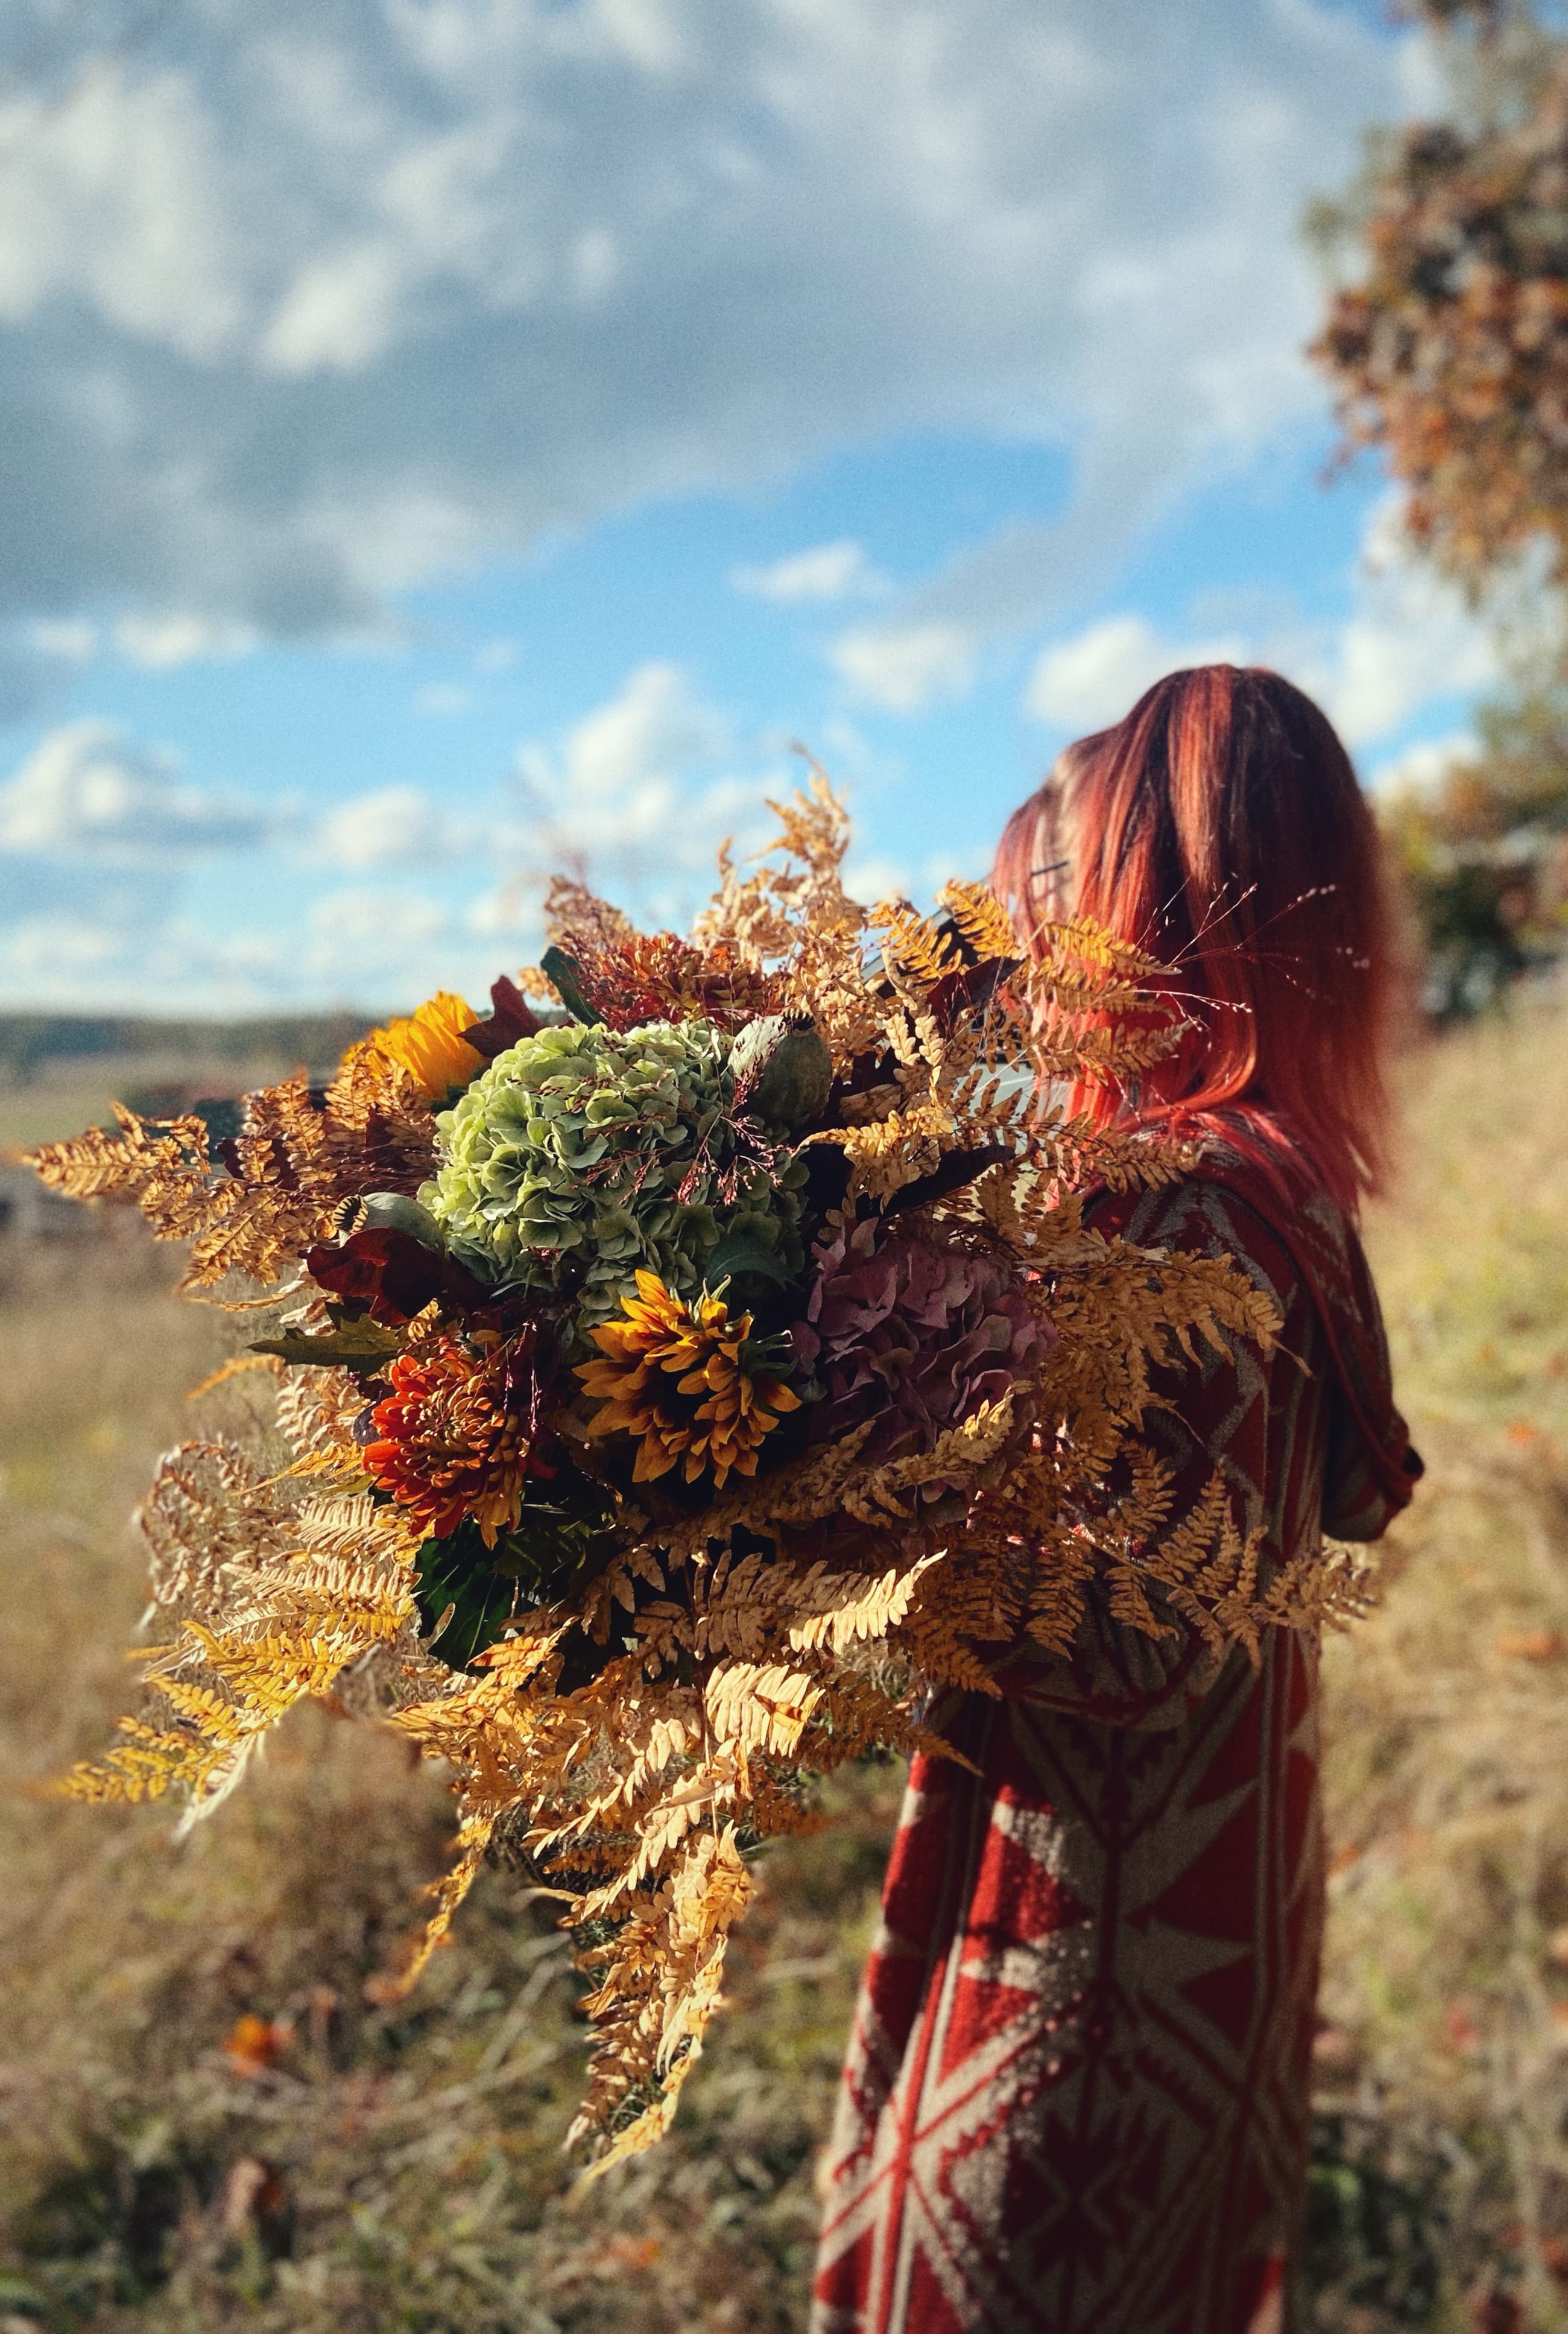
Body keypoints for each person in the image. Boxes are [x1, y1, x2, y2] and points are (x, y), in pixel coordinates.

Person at [809, 667, 1423, 2334]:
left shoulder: (1180, 1206)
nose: (1030, 969)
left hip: (1082, 1986)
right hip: (1223, 1926)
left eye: (1059, 908)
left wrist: (818, 1515)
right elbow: (1334, 1503)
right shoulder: (1289, 1178)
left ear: (1154, 902)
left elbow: (1134, 1638)